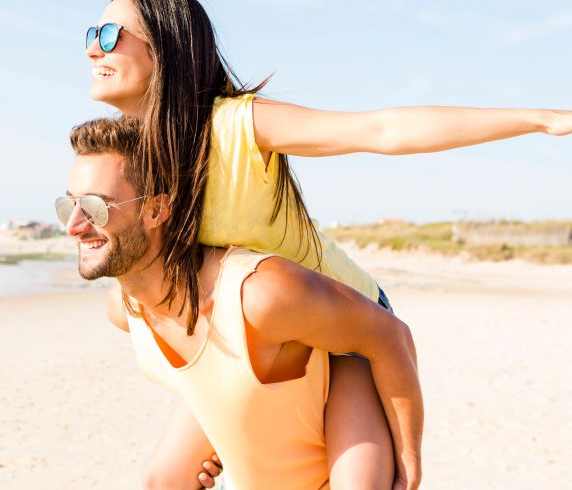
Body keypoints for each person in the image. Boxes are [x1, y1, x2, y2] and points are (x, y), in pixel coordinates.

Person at [82, 0, 572, 487]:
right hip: (246, 336)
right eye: (92, 33)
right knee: (164, 480)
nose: (92, 48)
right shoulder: (129, 161)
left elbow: (381, 128)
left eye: (109, 34)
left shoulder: (236, 125)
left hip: (346, 329)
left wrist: (541, 119)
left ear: (167, 46)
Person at [59, 117, 423, 490]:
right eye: (68, 205)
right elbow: (218, 376)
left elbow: (390, 335)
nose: (73, 225)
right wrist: (216, 432)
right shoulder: (125, 311)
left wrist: (409, 461)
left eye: (95, 207)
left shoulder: (258, 293)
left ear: (156, 209)